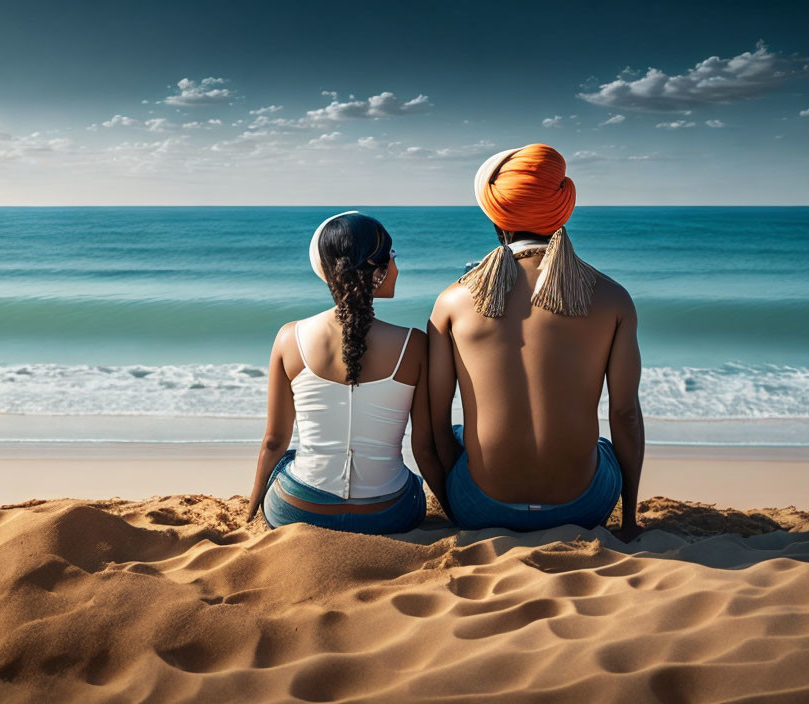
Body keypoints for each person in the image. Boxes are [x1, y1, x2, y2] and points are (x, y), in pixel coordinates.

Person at [428, 144, 645, 543]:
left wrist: (455, 507)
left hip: (480, 507)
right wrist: (627, 520)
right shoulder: (612, 298)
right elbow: (626, 415)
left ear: (496, 215)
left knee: (460, 433)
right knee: (600, 445)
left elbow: (435, 421)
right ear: (562, 210)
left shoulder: (452, 301)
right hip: (584, 507)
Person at [246, 212, 448, 534]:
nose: (397, 266)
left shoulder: (289, 337)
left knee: (290, 459)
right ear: (378, 271)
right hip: (389, 513)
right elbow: (424, 448)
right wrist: (452, 509)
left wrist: (252, 509)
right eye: (392, 256)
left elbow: (274, 442)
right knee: (409, 480)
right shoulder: (414, 344)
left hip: (299, 511)